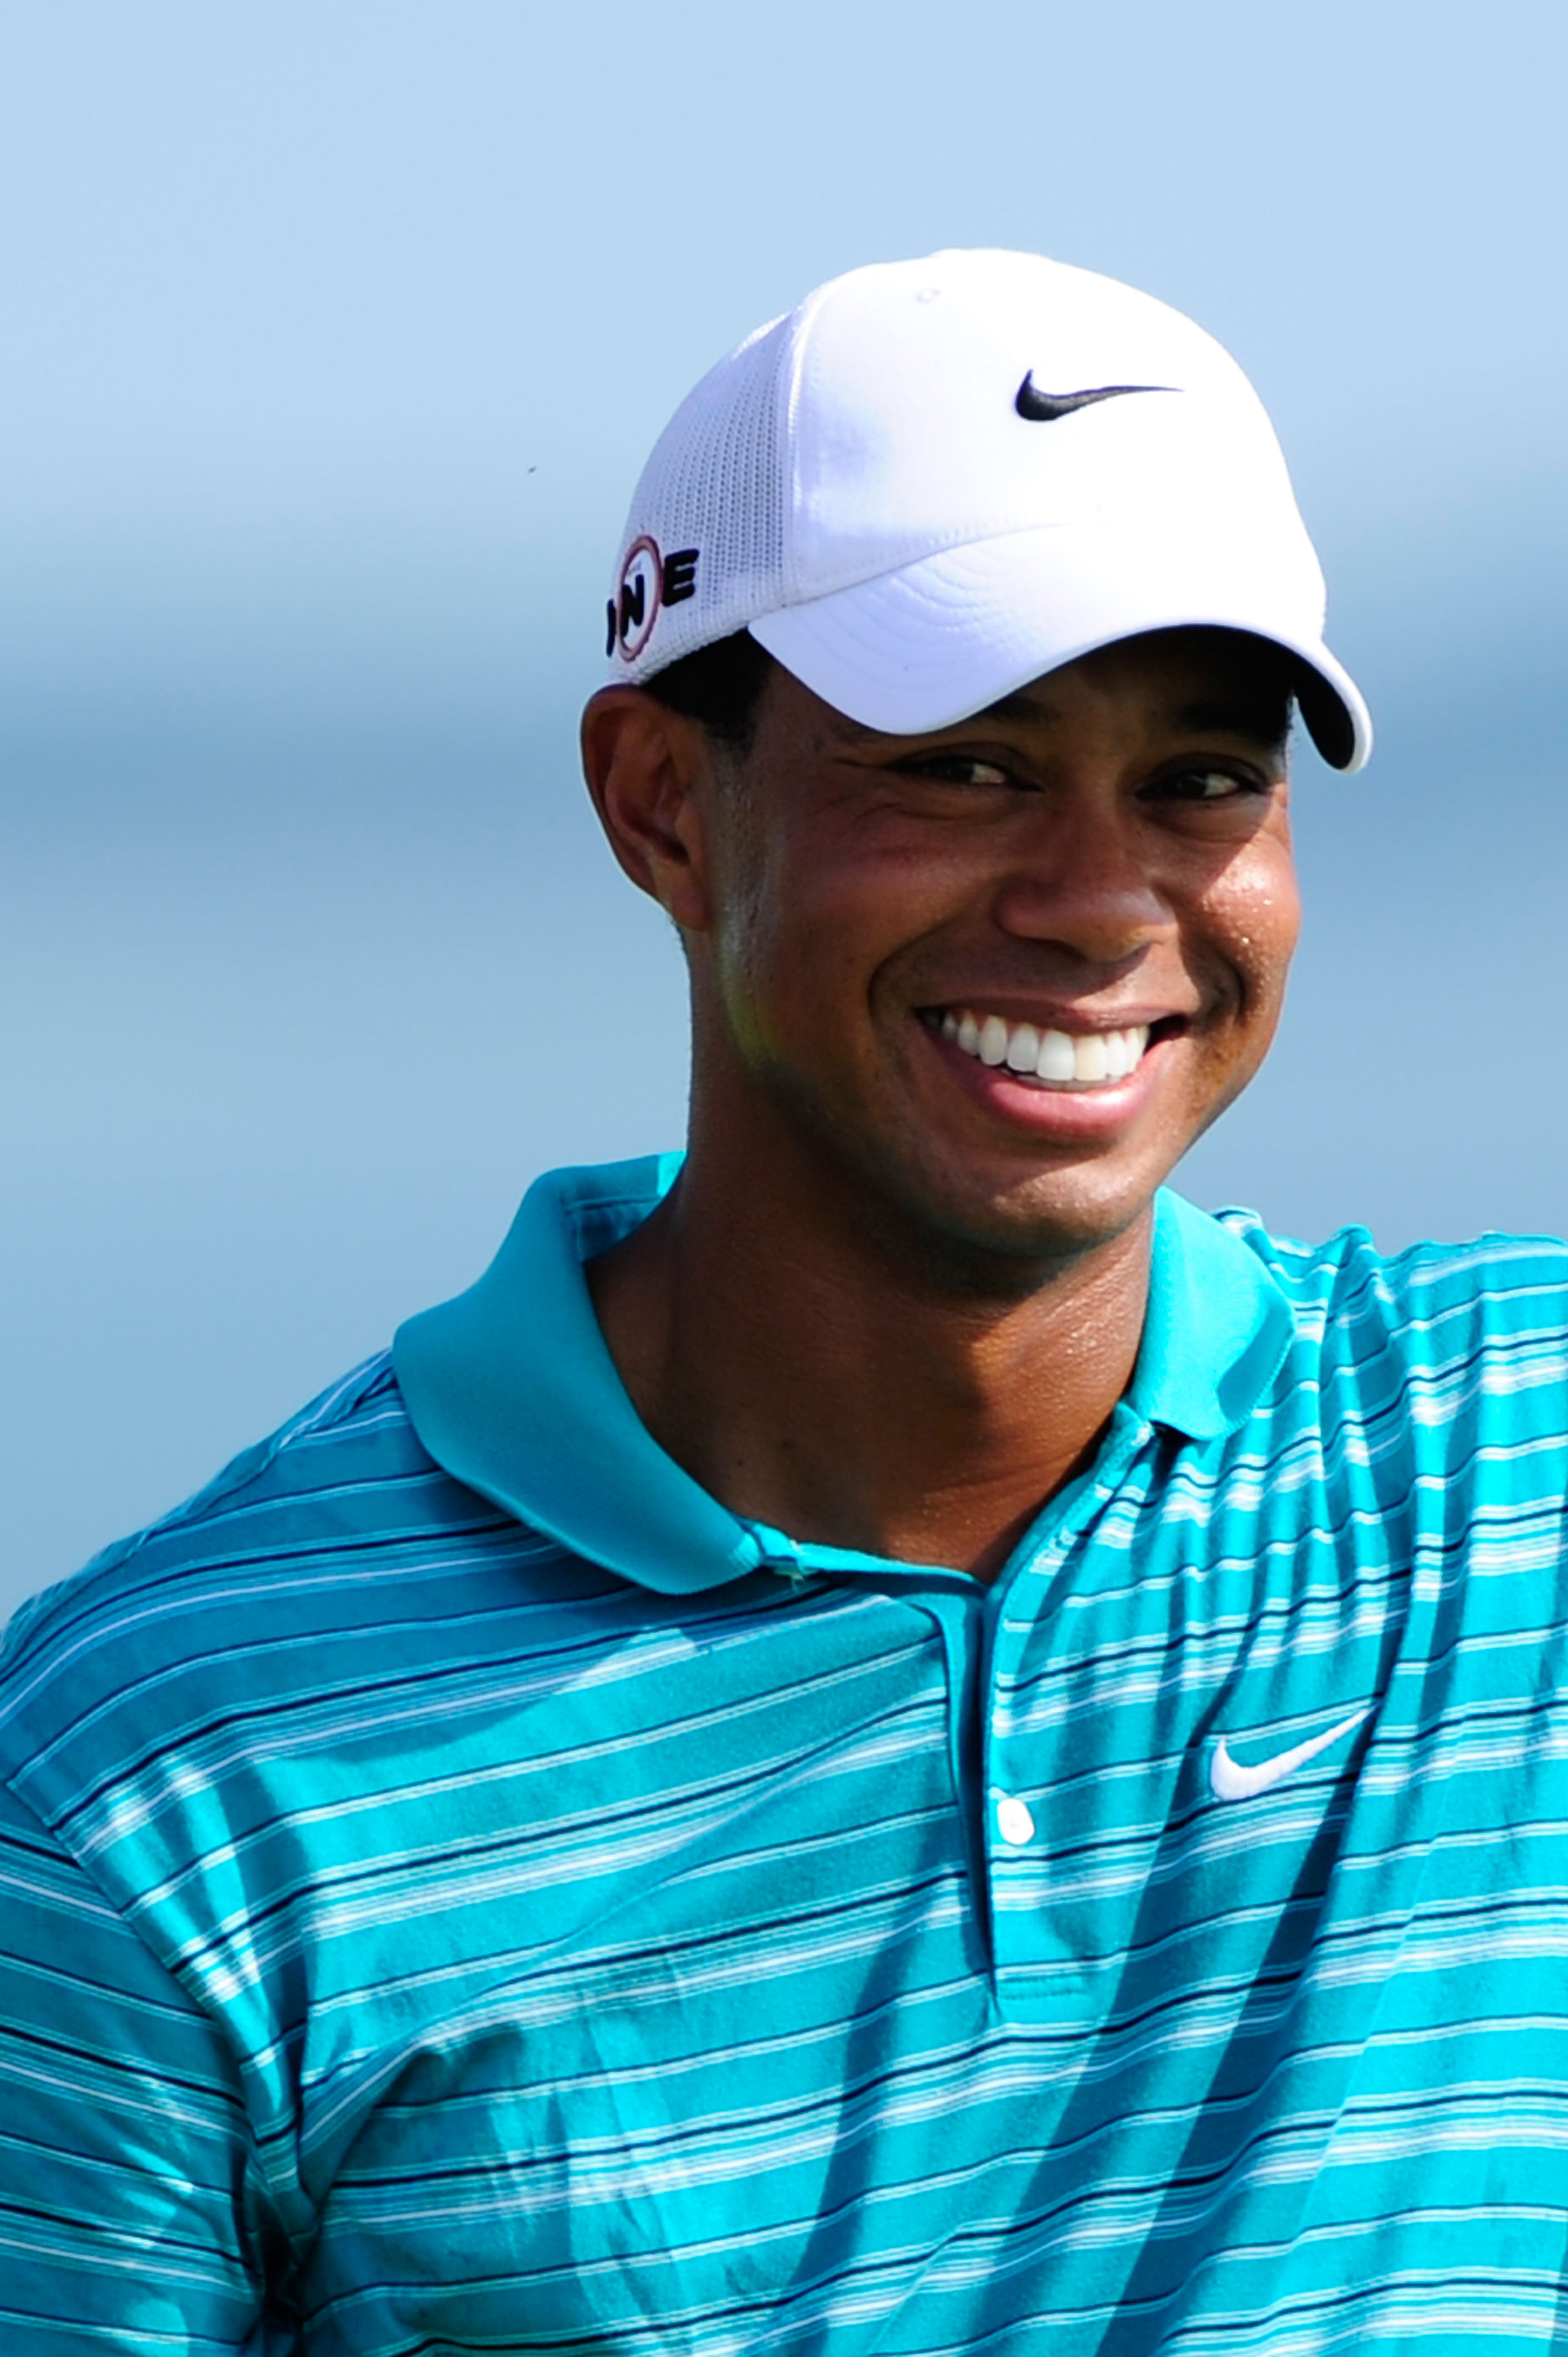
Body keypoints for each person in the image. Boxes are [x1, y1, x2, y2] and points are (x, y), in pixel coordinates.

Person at [2, 248, 1564, 2355]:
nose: (1106, 902)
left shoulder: (1516, 1456)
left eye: (1203, 779)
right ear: (663, 798)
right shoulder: (150, 1778)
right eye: (969, 766)